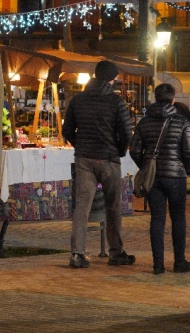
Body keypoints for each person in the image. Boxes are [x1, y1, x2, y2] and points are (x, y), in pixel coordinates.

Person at [62, 60, 134, 269]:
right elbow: (126, 133)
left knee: (82, 207)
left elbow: (67, 130)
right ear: (112, 79)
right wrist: (119, 150)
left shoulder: (78, 99)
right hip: (109, 158)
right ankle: (116, 252)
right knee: (113, 206)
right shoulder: (116, 102)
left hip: (84, 159)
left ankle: (77, 253)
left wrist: (81, 145)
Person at [130, 83, 190, 275]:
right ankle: (179, 261)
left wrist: (146, 166)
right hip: (176, 177)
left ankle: (158, 264)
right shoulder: (182, 122)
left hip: (154, 178)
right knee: (178, 217)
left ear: (155, 98)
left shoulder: (144, 122)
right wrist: (183, 168)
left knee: (157, 219)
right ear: (173, 99)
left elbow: (134, 150)